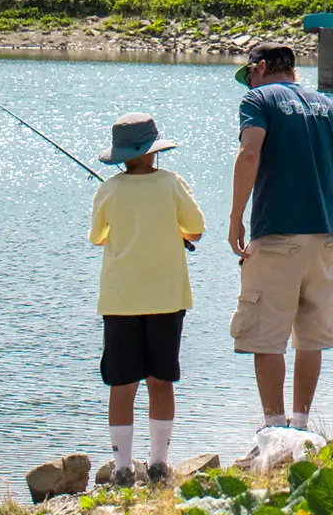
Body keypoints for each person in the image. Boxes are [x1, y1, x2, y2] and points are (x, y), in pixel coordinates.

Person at [228, 42, 333, 432]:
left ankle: (273, 427)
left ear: (262, 67)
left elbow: (250, 154)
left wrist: (236, 219)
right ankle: (300, 425)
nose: (248, 82)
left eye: (249, 73)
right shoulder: (328, 107)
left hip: (276, 233)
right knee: (310, 337)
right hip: (323, 238)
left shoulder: (258, 99)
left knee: (266, 335)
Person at [90, 112, 205, 486]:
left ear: (121, 156)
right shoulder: (172, 184)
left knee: (122, 385)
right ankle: (158, 463)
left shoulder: (107, 189)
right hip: (167, 298)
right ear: (154, 152)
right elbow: (197, 229)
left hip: (120, 301)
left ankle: (122, 467)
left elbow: (97, 236)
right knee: (162, 380)